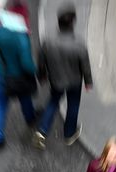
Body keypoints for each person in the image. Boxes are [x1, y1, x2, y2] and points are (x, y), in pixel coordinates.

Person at [34, 2, 93, 149]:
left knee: (53, 102)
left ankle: (41, 132)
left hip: (56, 80)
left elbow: (41, 61)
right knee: (73, 105)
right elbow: (85, 65)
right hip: (74, 81)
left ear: (58, 22)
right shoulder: (79, 44)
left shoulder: (48, 42)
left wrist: (41, 76)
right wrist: (88, 82)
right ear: (73, 22)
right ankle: (69, 134)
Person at [0, 6, 37, 149]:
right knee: (25, 98)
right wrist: (36, 71)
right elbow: (27, 64)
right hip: (18, 77)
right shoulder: (21, 38)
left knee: (1, 104)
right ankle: (30, 118)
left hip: (1, 72)